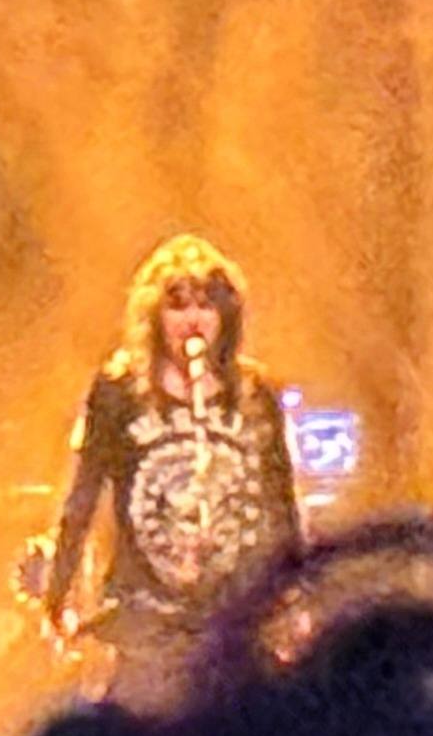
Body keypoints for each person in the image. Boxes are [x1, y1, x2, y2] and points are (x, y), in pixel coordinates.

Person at [37, 234, 299, 708]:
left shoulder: (255, 396)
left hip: (233, 618)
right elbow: (83, 497)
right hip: (146, 618)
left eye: (206, 305)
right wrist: (59, 593)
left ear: (226, 316)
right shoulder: (119, 394)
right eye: (178, 306)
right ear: (156, 317)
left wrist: (295, 594)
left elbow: (282, 506)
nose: (193, 318)